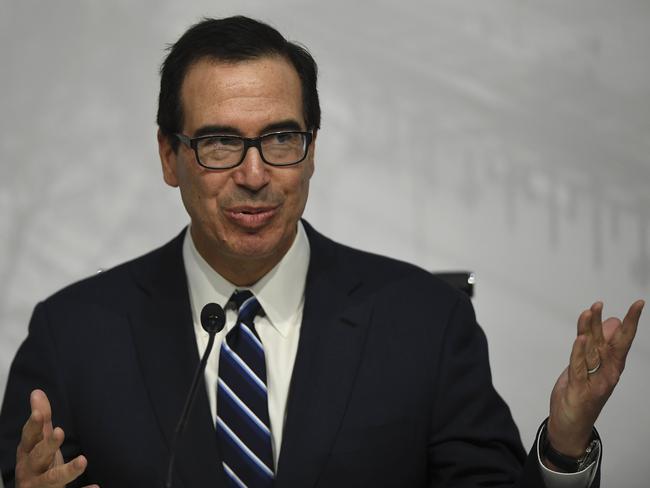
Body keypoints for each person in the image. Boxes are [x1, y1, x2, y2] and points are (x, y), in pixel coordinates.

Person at [0, 15, 644, 488]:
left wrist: (562, 446)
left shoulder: (422, 320)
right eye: (221, 143)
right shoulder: (73, 333)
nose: (254, 174)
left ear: (312, 149)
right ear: (170, 156)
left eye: (281, 139)